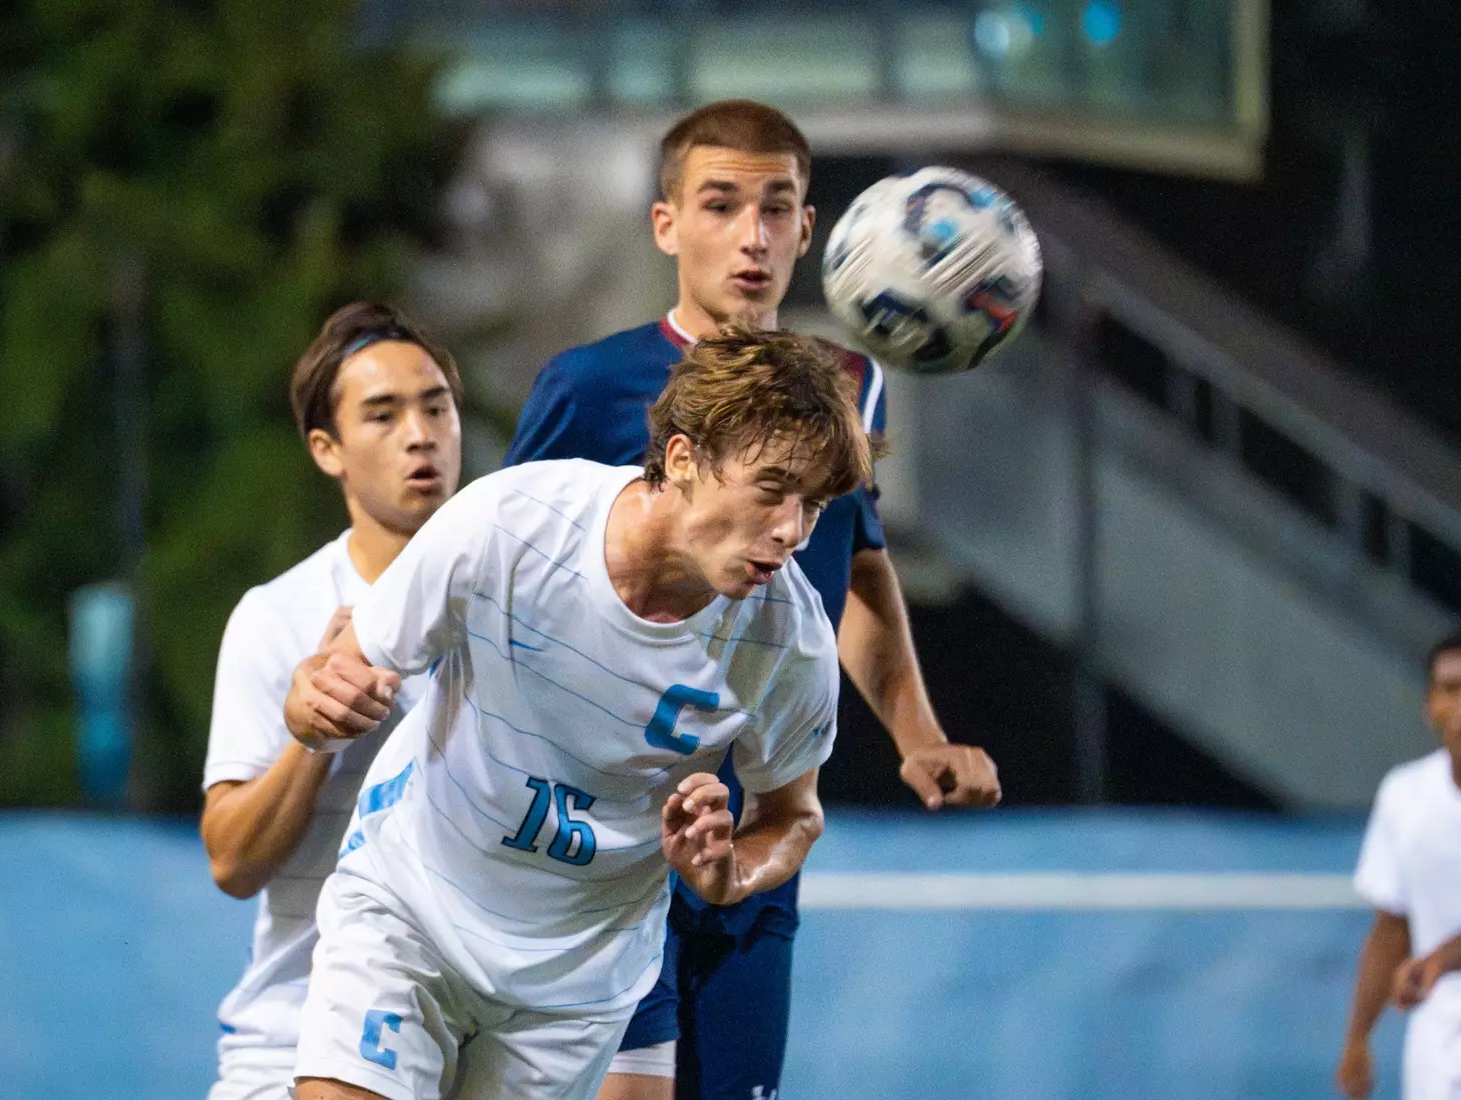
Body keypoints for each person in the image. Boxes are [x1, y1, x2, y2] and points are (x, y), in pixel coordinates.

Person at [503, 98, 1002, 1100]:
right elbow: (505, 581)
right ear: (666, 224)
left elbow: (858, 567)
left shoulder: (847, 387)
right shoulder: (591, 386)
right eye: (721, 204)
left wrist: (919, 735)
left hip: (759, 835)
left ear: (811, 230)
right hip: (611, 843)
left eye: (777, 209)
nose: (753, 236)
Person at [279, 328, 872, 1100]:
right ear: (683, 458)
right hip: (410, 913)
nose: (792, 531)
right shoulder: (509, 524)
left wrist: (731, 872)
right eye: (771, 488)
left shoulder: (788, 639)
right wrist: (313, 705)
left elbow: (793, 816)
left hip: (577, 983)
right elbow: (336, 674)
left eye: (813, 505)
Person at [199, 302, 463, 1100]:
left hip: (482, 1044)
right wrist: (310, 739)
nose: (420, 435)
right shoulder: (279, 615)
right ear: (327, 449)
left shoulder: (523, 603)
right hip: (300, 1041)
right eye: (382, 415)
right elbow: (231, 862)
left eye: (436, 407)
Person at [1336, 625, 1461, 1099]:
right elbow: (1391, 928)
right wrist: (1358, 1038)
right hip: (1435, 1057)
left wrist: (1440, 960)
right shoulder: (1405, 794)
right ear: (1431, 707)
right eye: (1452, 689)